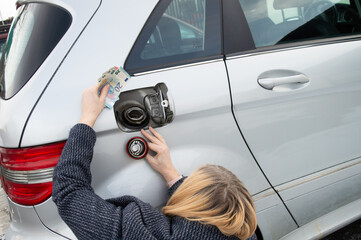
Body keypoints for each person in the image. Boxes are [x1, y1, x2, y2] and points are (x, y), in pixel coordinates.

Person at [52, 83, 258, 240]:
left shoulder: (139, 234)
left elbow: (69, 192)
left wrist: (87, 119)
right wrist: (172, 175)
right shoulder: (243, 232)